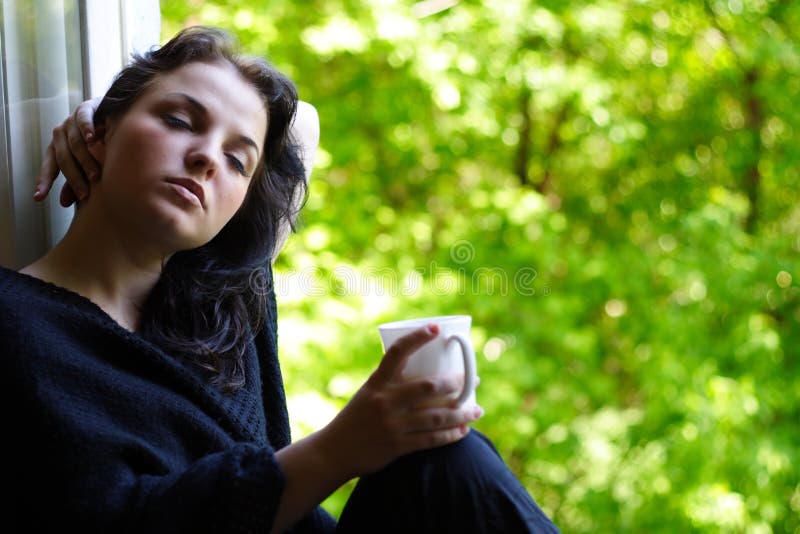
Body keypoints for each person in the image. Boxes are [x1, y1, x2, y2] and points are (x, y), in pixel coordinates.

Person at [2, 26, 559, 533]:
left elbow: (303, 124)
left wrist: (107, 112)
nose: (206, 159)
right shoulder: (18, 326)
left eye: (237, 160)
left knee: (446, 458)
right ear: (95, 140)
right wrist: (341, 448)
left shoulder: (224, 294)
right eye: (178, 121)